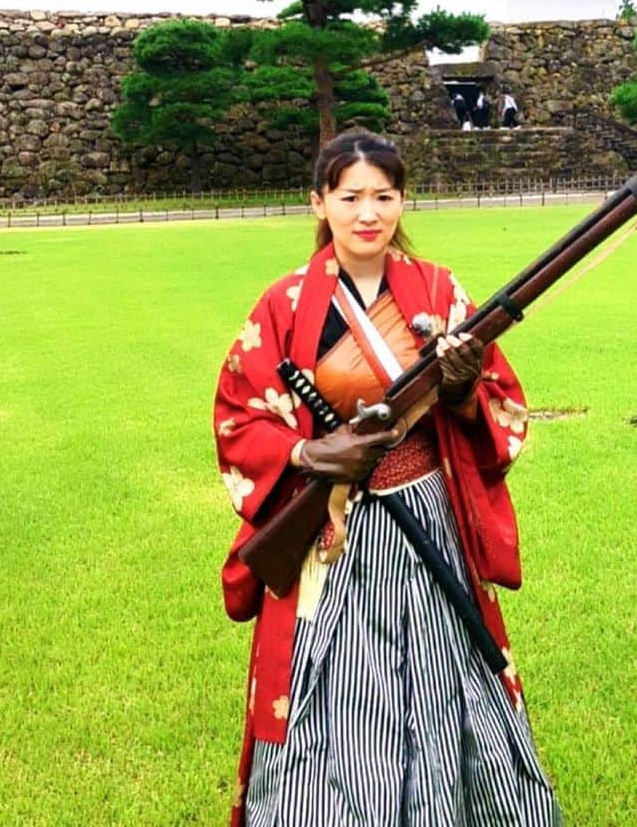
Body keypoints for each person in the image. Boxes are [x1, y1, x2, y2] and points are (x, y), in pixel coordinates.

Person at [215, 129, 562, 826]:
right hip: (332, 527)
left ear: (404, 200)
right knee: (332, 685)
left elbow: (498, 406)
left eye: (384, 196)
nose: (368, 213)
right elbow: (239, 417)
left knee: (448, 672)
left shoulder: (437, 290)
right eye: (350, 197)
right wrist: (311, 458)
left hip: (426, 511)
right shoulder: (284, 305)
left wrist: (461, 389)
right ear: (320, 202)